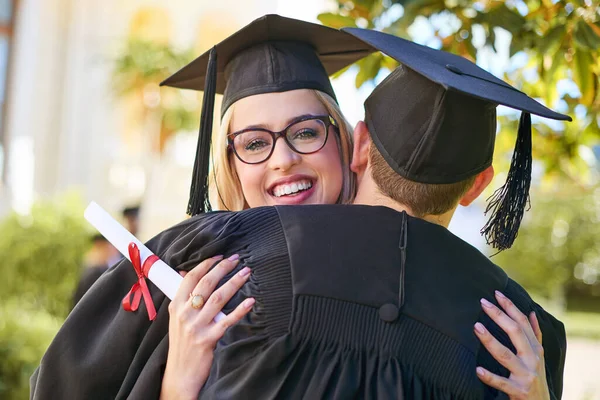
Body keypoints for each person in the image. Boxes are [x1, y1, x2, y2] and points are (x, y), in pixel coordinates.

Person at [29, 17, 565, 400]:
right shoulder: (193, 271)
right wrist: (178, 379)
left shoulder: (207, 254)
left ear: (352, 144)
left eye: (306, 132)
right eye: (255, 143)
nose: (284, 161)